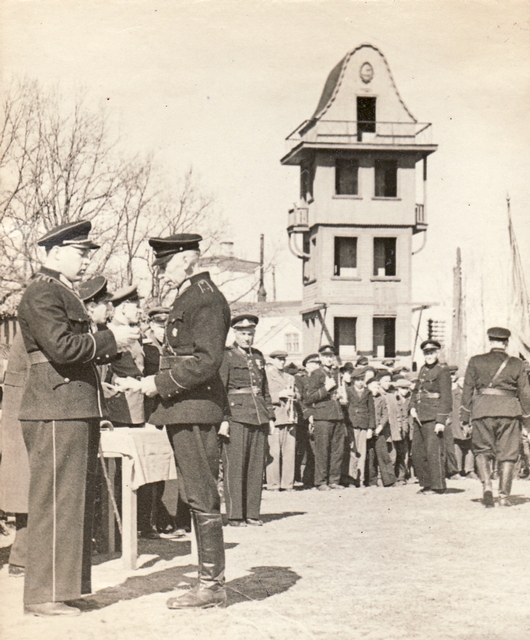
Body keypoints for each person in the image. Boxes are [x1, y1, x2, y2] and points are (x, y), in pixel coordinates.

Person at [17, 220, 138, 617]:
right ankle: (42, 595)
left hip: (72, 407)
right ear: (54, 254)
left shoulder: (61, 292)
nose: (86, 261)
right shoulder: (41, 292)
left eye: (88, 254)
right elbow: (63, 348)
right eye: (81, 253)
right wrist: (111, 340)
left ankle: (67, 588)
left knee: (75, 502)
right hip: (55, 408)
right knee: (55, 501)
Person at [140, 233, 231, 609]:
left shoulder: (204, 297)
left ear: (185, 261)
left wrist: (158, 383)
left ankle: (211, 585)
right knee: (196, 493)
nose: (161, 273)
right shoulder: (192, 296)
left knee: (201, 494)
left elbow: (207, 360)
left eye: (164, 265)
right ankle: (209, 580)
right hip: (185, 407)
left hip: (194, 407)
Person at [461, 327, 530, 507]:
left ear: (490, 342)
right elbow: (525, 393)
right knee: (508, 454)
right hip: (509, 411)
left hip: (482, 410)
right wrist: (527, 419)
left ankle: (487, 486)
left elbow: (467, 389)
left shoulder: (475, 361)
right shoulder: (516, 363)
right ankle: (504, 496)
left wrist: (464, 417)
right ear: (506, 343)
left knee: (482, 450)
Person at [220, 315, 275, 525]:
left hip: (258, 415)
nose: (247, 338)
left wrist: (270, 416)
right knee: (235, 467)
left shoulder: (258, 356)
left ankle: (252, 513)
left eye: (250, 334)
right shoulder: (227, 356)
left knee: (255, 467)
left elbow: (265, 389)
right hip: (236, 416)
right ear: (235, 333)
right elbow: (221, 389)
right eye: (243, 333)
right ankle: (235, 515)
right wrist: (224, 419)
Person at [0, 331, 30, 577]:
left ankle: (20, 557)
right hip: (21, 418)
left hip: (17, 417)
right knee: (26, 487)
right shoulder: (32, 331)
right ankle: (20, 559)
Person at [410, 340, 452, 495]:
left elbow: (446, 397)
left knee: (434, 452)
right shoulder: (422, 369)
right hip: (420, 416)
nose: (429, 355)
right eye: (426, 353)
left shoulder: (442, 370)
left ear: (437, 353)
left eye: (432, 352)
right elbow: (416, 391)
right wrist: (412, 407)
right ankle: (426, 483)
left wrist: (441, 420)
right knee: (418, 452)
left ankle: (438, 486)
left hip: (434, 417)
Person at [303, 345, 345, 490]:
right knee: (322, 450)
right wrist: (326, 389)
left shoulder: (334, 373)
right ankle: (321, 481)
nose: (329, 359)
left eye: (331, 356)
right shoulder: (316, 374)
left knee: (337, 450)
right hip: (322, 417)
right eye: (326, 356)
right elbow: (308, 398)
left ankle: (334, 480)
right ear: (320, 357)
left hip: (337, 416)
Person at [105, 285, 145, 428]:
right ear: (123, 307)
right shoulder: (112, 333)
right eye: (136, 306)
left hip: (136, 405)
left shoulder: (131, 332)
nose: (140, 311)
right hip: (121, 407)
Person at [265, 350, 298, 492]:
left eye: (283, 359)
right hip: (275, 416)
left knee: (289, 452)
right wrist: (279, 395)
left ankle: (287, 484)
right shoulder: (266, 376)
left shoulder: (290, 377)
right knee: (274, 452)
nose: (282, 362)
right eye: (279, 359)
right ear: (272, 360)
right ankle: (273, 484)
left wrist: (295, 395)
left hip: (289, 417)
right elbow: (263, 396)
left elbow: (297, 395)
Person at [343, 365, 375, 487]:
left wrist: (370, 428)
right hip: (352, 424)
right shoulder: (348, 391)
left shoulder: (368, 393)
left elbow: (371, 411)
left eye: (362, 380)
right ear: (353, 380)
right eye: (358, 380)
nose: (360, 382)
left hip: (363, 425)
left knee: (362, 452)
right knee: (352, 452)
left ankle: (360, 479)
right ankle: (351, 478)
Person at [366, 375, 397, 487]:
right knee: (370, 457)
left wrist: (380, 427)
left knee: (383, 455)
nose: (376, 389)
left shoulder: (381, 399)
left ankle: (389, 480)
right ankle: (372, 481)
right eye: (373, 387)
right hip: (368, 431)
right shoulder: (365, 398)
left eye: (377, 387)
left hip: (379, 431)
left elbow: (385, 414)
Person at [295, 353, 319, 487]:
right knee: (304, 449)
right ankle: (302, 477)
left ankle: (313, 478)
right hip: (304, 418)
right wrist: (309, 415)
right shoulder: (300, 379)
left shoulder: (320, 379)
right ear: (306, 365)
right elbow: (301, 400)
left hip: (319, 416)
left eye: (317, 363)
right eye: (313, 363)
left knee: (316, 448)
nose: (316, 366)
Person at [449, 367, 476, 479]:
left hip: (469, 422)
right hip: (455, 423)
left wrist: (471, 423)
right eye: (460, 380)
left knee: (470, 446)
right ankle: (457, 470)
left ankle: (469, 470)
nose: (463, 383)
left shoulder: (473, 394)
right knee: (456, 445)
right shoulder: (452, 394)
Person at [394, 378, 413, 482]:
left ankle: (405, 475)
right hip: (398, 429)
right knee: (398, 453)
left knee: (407, 452)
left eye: (406, 388)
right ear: (398, 388)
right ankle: (399, 475)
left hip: (409, 429)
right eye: (402, 388)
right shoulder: (394, 398)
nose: (405, 391)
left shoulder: (410, 398)